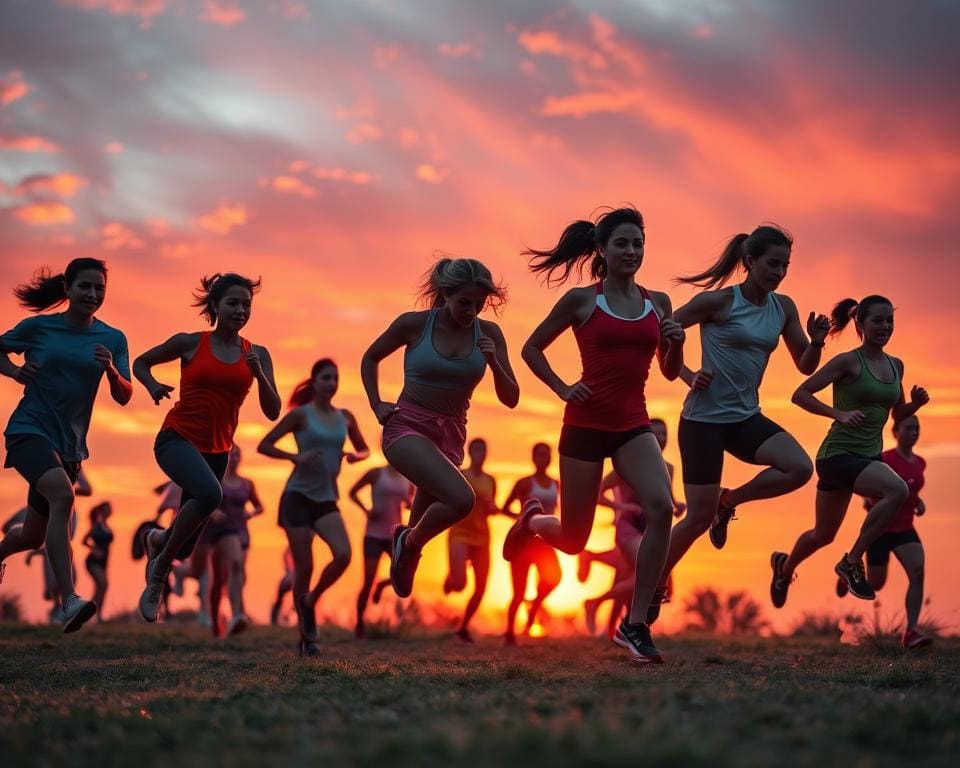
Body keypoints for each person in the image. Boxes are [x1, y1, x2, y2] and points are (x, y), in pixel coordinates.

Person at [503, 206, 684, 663]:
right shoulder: (583, 300)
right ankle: (532, 521)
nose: (631, 250)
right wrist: (563, 387)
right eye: (622, 243)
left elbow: (669, 370)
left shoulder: (657, 302)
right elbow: (531, 348)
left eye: (638, 243)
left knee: (661, 506)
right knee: (573, 540)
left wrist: (676, 344)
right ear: (602, 249)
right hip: (584, 425)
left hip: (633, 424)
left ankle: (635, 623)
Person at [649, 225, 828, 623]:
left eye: (785, 265)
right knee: (695, 519)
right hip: (703, 422)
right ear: (749, 262)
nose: (779, 272)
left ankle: (727, 502)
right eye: (772, 263)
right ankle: (654, 586)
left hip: (746, 418)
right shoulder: (716, 302)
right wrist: (688, 374)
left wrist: (816, 342)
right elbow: (662, 341)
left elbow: (804, 364)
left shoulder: (784, 308)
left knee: (799, 468)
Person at [360, 258, 519, 603]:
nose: (472, 310)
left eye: (480, 304)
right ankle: (409, 541)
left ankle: (409, 546)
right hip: (406, 428)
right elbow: (370, 357)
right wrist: (376, 404)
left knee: (406, 569)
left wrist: (493, 363)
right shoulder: (414, 325)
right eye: (465, 302)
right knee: (462, 499)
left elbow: (512, 398)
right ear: (446, 293)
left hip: (450, 438)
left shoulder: (489, 334)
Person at [135, 273, 280, 623]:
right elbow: (142, 362)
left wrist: (259, 375)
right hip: (176, 439)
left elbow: (273, 411)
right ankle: (158, 573)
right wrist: (152, 384)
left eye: (247, 305)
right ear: (215, 305)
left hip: (217, 452)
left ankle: (158, 542)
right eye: (233, 303)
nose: (241, 310)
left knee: (184, 545)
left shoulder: (257, 354)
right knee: (210, 495)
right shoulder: (190, 343)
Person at [771, 296, 929, 609]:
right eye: (878, 321)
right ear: (860, 324)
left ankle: (784, 569)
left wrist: (916, 405)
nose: (885, 327)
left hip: (868, 457)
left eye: (889, 321)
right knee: (896, 489)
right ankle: (852, 561)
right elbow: (799, 394)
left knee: (822, 535)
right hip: (838, 455)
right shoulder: (848, 361)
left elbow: (896, 415)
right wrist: (838, 414)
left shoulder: (895, 365)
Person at [0, 258, 131, 633]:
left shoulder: (112, 338)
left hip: (70, 445)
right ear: (68, 289)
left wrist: (112, 373)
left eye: (99, 288)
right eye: (85, 287)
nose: (92, 294)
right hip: (28, 431)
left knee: (31, 536)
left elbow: (124, 396)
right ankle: (69, 599)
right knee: (63, 497)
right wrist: (13, 371)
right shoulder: (39, 328)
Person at [258, 358, 370, 655]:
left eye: (335, 378)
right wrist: (295, 458)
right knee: (304, 568)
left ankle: (310, 601)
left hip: (326, 499)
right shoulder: (301, 415)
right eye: (326, 378)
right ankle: (306, 640)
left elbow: (364, 448)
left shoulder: (345, 417)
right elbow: (264, 445)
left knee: (343, 554)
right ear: (314, 382)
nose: (331, 383)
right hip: (296, 498)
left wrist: (358, 456)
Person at [580, 418, 685, 636]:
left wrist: (677, 506)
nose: (661, 438)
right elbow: (596, 493)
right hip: (627, 528)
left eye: (664, 433)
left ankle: (621, 631)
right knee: (653, 574)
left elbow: (666, 500)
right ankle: (596, 603)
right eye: (655, 434)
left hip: (651, 530)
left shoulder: (668, 468)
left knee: (637, 582)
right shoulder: (629, 464)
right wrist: (622, 506)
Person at [836, 415, 932, 649]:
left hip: (905, 529)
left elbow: (909, 488)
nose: (914, 432)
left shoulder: (920, 462)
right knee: (876, 585)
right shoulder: (884, 458)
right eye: (909, 428)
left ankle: (911, 632)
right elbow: (863, 483)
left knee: (917, 571)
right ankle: (846, 573)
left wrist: (917, 502)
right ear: (895, 431)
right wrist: (869, 498)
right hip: (879, 531)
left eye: (917, 428)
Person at [501, 442, 561, 645]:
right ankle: (509, 632)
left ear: (550, 458)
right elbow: (505, 508)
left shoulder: (556, 484)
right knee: (518, 591)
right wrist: (522, 520)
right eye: (540, 454)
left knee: (554, 578)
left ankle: (534, 606)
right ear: (534, 458)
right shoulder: (524, 483)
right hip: (524, 542)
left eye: (546, 454)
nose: (543, 458)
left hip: (545, 543)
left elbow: (556, 511)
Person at [204, 444, 263, 637]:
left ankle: (237, 615)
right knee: (220, 579)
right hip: (219, 533)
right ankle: (215, 621)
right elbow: (203, 497)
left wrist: (251, 513)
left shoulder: (247, 484)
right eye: (232, 454)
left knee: (238, 570)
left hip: (241, 533)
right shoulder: (216, 479)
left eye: (238, 454)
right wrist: (213, 510)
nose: (235, 457)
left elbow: (259, 506)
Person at [349, 464, 413, 637]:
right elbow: (352, 492)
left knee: (403, 575)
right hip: (373, 535)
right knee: (367, 581)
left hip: (394, 535)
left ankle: (382, 585)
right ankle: (359, 623)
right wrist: (366, 511)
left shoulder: (408, 478)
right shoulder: (376, 473)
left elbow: (410, 503)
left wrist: (409, 503)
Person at [443, 437, 497, 643]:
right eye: (476, 450)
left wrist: (491, 508)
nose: (480, 454)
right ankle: (452, 577)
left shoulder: (490, 480)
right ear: (470, 452)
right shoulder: (461, 475)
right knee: (460, 585)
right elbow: (450, 499)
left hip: (482, 536)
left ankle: (463, 628)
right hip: (461, 533)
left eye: (483, 450)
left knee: (481, 587)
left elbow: (493, 506)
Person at [82, 501, 113, 623]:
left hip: (104, 562)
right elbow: (84, 540)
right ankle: (87, 612)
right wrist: (94, 550)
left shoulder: (106, 525)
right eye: (107, 508)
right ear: (102, 511)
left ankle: (97, 615)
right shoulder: (97, 525)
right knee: (103, 584)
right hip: (93, 561)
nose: (110, 510)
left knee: (101, 587)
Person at [270, 547, 296, 626]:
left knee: (298, 600)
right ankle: (274, 620)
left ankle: (276, 620)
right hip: (290, 578)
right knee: (279, 599)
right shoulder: (289, 551)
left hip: (291, 577)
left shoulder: (289, 551)